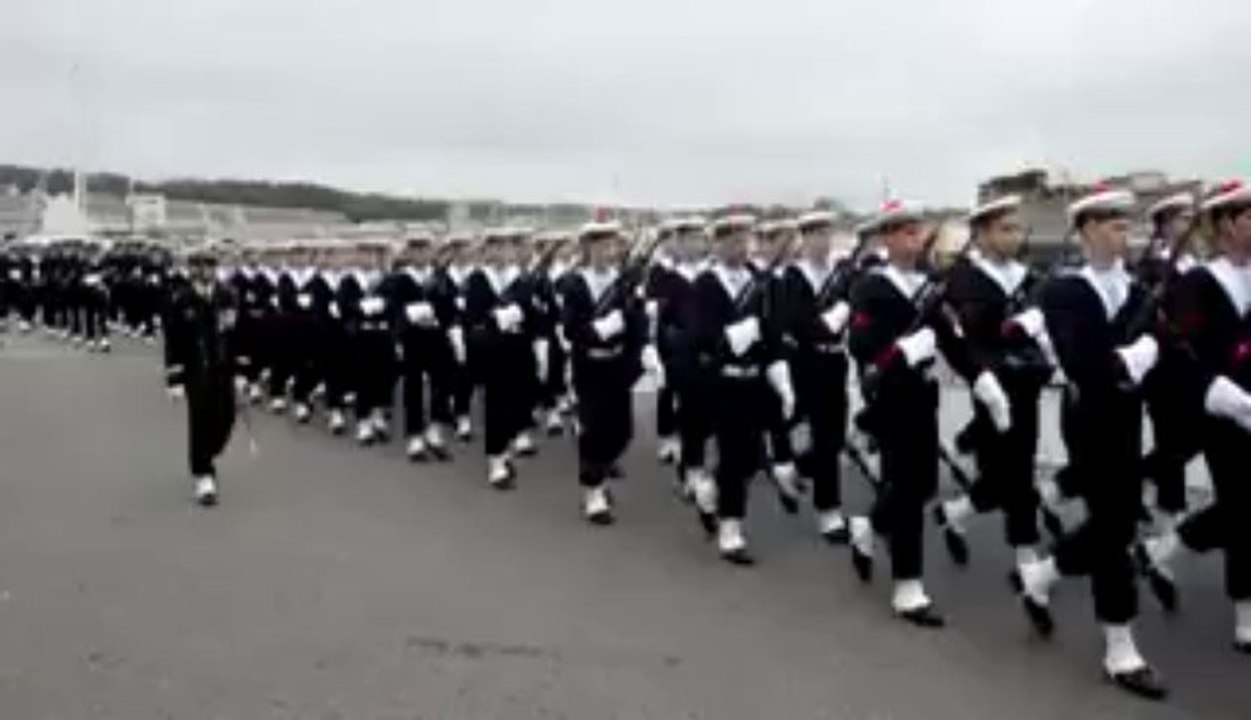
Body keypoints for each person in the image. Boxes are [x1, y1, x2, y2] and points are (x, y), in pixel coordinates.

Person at [1014, 184, 1168, 700]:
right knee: (1115, 528)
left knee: (1113, 522)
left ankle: (1041, 575)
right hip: (1088, 417)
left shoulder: (1140, 287)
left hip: (1127, 416)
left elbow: (1162, 344)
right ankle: (1120, 647)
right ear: (1085, 231)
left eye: (1126, 223)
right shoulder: (1064, 291)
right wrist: (1140, 354)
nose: (1122, 232)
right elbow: (1086, 366)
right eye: (1111, 223)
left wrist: (1148, 352)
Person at [1137, 179, 1251, 656]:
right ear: (1226, 223)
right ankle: (1244, 611)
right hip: (1221, 412)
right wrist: (1214, 389)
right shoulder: (1199, 284)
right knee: (1244, 506)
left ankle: (1163, 550)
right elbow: (1180, 353)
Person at [931, 195, 1049, 570]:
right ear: (981, 235)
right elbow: (966, 336)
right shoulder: (965, 280)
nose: (1014, 237)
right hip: (992, 386)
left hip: (1026, 381)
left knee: (1013, 471)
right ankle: (1025, 553)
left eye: (1017, 229)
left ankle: (957, 513)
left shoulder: (1028, 277)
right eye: (1005, 229)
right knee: (1014, 475)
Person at [846, 200, 949, 628]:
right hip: (890, 396)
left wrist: (981, 377)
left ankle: (867, 528)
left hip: (923, 394)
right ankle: (908, 585)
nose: (914, 238)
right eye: (905, 232)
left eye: (917, 231)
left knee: (923, 484)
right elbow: (861, 343)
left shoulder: (929, 284)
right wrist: (900, 350)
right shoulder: (871, 286)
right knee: (905, 488)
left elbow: (949, 337)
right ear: (887, 238)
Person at [688, 212, 795, 565]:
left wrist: (781, 376)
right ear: (716, 244)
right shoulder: (706, 283)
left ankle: (710, 490)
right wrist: (731, 335)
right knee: (733, 455)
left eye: (742, 239)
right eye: (729, 240)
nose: (737, 246)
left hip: (756, 378)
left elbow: (773, 331)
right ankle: (731, 528)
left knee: (752, 457)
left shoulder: (761, 280)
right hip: (723, 382)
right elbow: (700, 336)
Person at [558, 218, 648, 523]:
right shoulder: (575, 283)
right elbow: (571, 329)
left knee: (622, 431)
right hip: (589, 365)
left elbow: (637, 323)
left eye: (610, 244)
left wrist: (639, 341)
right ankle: (593, 493)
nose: (605, 250)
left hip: (617, 365)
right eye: (599, 244)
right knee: (595, 429)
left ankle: (600, 468)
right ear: (587, 247)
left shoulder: (621, 282)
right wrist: (602, 328)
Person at [777, 210, 855, 542]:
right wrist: (836, 315)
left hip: (835, 361)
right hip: (805, 361)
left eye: (827, 234)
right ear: (804, 239)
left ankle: (794, 469)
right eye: (816, 235)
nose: (823, 241)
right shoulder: (793, 277)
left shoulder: (840, 274)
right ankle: (829, 511)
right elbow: (800, 323)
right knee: (822, 435)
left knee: (835, 438)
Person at [163, 248, 239, 507]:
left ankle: (210, 451)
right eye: (198, 265)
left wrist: (243, 369)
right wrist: (174, 379)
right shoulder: (181, 299)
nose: (203, 270)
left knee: (226, 417)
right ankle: (203, 473)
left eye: (208, 265)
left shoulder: (227, 295)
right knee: (200, 419)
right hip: (196, 370)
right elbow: (173, 341)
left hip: (223, 367)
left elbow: (236, 334)